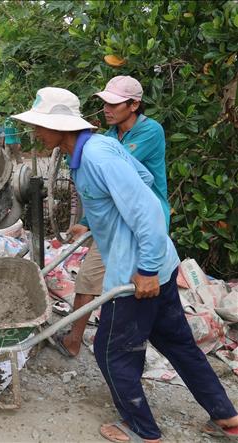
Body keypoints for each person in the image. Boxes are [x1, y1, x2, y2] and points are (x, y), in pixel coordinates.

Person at [13, 87, 238, 443]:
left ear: (62, 126)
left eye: (40, 126)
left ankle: (142, 430)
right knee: (179, 344)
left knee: (110, 350)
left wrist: (146, 269)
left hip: (138, 273)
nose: (35, 133)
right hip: (157, 266)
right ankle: (228, 418)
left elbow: (147, 209)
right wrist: (96, 221)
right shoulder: (97, 148)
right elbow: (143, 181)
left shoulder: (97, 157)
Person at [55, 76, 169, 359]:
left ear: (134, 105)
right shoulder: (108, 138)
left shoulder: (149, 132)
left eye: (114, 103)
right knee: (90, 280)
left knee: (134, 293)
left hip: (143, 223)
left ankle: (119, 356)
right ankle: (77, 340)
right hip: (117, 222)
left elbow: (117, 175)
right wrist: (89, 223)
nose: (107, 108)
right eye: (105, 102)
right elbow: (102, 193)